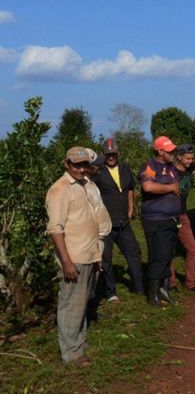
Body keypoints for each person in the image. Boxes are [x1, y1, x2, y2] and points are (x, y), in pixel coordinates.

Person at [46, 147, 111, 366]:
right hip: (74, 257)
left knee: (82, 302)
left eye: (84, 164)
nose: (81, 168)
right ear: (67, 164)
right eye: (76, 165)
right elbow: (56, 229)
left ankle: (78, 343)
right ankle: (71, 353)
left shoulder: (85, 184)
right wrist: (66, 261)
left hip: (89, 254)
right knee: (71, 304)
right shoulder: (60, 189)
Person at [92, 138, 145, 302]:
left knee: (134, 253)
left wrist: (131, 208)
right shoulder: (99, 172)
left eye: (113, 154)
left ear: (118, 153)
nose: (111, 157)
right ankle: (110, 292)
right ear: (103, 154)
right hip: (106, 224)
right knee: (106, 258)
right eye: (108, 154)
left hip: (123, 222)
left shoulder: (125, 168)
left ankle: (139, 287)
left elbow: (130, 189)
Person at [139, 136, 181, 306]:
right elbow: (147, 186)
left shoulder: (171, 167)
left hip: (171, 219)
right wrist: (171, 188)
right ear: (159, 151)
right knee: (159, 256)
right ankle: (153, 294)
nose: (173, 153)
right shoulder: (150, 166)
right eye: (169, 150)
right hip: (156, 220)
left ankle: (163, 290)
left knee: (168, 255)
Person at [169, 125, 195, 294]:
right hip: (168, 215)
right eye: (187, 158)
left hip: (182, 215)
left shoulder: (189, 169)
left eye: (190, 158)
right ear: (178, 158)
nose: (190, 161)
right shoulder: (170, 172)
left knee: (192, 248)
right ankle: (170, 283)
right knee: (169, 250)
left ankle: (190, 282)